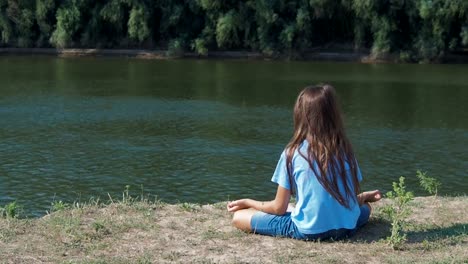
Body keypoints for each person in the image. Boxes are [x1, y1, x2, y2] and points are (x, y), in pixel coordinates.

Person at [227, 84, 382, 241]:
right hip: (347, 228)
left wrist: (249, 202)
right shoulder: (345, 150)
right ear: (334, 115)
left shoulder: (293, 153)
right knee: (365, 209)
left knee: (239, 217)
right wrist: (363, 197)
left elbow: (278, 208)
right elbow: (345, 201)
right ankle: (359, 201)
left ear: (301, 115)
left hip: (310, 231)